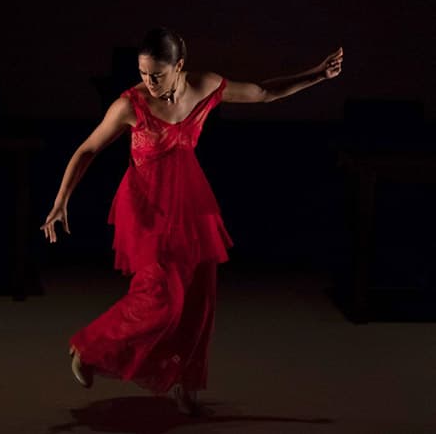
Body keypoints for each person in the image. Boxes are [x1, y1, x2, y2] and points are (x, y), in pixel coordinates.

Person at [40, 27, 343, 416]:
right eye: (143, 72)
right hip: (147, 208)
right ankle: (89, 348)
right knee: (162, 299)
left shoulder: (205, 87)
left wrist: (316, 74)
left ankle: (186, 381)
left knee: (200, 298)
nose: (148, 82)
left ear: (179, 66)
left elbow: (264, 92)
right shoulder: (129, 105)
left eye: (157, 74)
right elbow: (87, 150)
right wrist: (61, 200)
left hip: (192, 204)